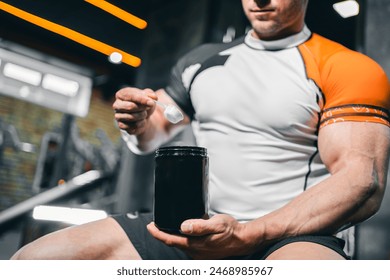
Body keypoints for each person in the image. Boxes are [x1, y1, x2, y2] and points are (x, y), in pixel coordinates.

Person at [11, 0, 389, 260]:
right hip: (200, 226)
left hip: (293, 234)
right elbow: (158, 130)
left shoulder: (347, 67)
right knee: (35, 261)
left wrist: (252, 232)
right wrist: (139, 124)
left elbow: (361, 179)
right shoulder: (199, 64)